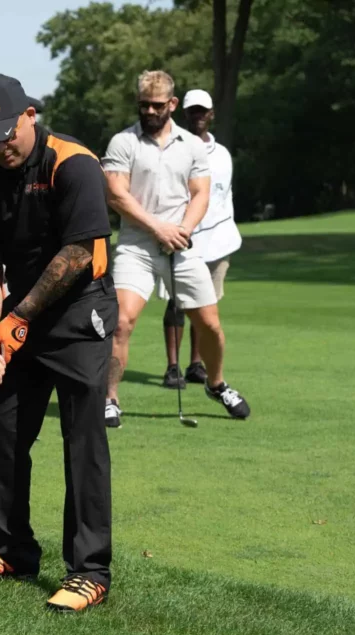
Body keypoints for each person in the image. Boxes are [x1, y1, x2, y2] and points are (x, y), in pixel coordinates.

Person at [0, 73, 116, 614]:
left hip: (78, 311)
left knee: (82, 438)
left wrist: (17, 320)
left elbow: (76, 254)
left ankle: (89, 570)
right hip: (17, 313)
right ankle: (11, 550)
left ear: (31, 115)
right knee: (0, 426)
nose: (1, 145)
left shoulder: (75, 164)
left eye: (7, 132)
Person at [101, 70, 250, 428]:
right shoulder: (123, 143)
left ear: (172, 104)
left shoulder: (192, 145)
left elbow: (200, 194)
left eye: (157, 105)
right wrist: (157, 227)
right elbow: (115, 194)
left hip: (182, 245)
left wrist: (181, 230)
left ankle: (216, 384)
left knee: (210, 326)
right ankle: (109, 399)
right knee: (121, 322)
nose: (150, 112)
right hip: (137, 244)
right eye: (143, 105)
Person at [157, 89, 242, 388]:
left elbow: (223, 196)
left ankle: (196, 364)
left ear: (211, 114)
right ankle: (172, 367)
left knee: (204, 305)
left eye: (202, 111)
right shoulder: (170, 147)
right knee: (176, 305)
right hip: (180, 235)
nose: (198, 116)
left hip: (216, 241)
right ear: (185, 114)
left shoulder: (221, 155)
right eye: (193, 111)